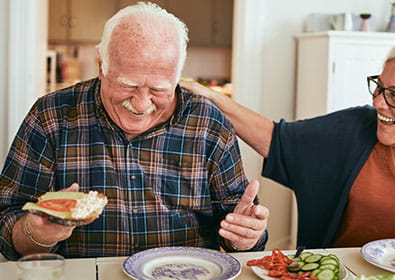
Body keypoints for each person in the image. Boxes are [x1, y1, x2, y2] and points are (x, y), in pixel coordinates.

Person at [0, 2, 268, 260]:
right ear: (101, 69)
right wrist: (36, 234)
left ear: (177, 77)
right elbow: (6, 225)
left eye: (159, 89)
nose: (141, 104)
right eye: (127, 85)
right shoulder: (51, 116)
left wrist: (245, 237)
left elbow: (238, 230)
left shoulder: (208, 122)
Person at [180, 39, 395, 248]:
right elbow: (275, 139)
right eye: (379, 87)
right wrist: (209, 96)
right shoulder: (353, 130)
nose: (378, 103)